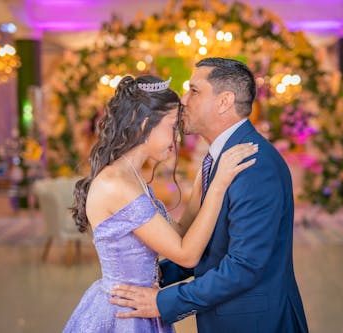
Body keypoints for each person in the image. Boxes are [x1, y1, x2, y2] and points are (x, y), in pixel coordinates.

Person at [110, 58, 309, 333]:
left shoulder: (253, 164)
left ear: (224, 101)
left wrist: (164, 302)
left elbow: (244, 266)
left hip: (255, 322)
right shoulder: (222, 157)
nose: (183, 100)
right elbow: (214, 248)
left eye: (194, 90)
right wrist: (154, 276)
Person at [63, 75, 257, 332]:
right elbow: (186, 255)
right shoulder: (116, 184)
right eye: (172, 126)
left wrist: (202, 182)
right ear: (145, 126)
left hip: (142, 305)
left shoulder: (132, 176)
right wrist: (218, 186)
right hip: (124, 314)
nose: (176, 139)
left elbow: (178, 233)